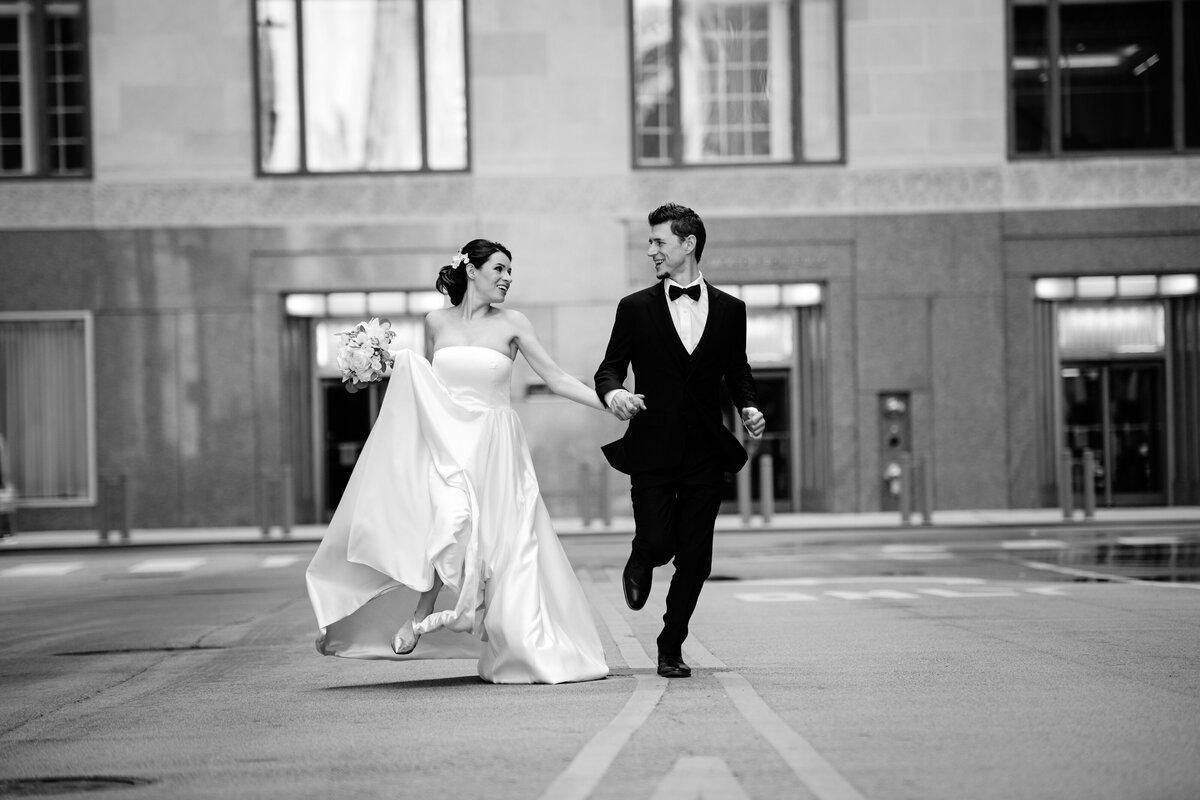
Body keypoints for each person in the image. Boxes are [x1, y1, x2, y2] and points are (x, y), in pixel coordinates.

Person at [306, 239, 610, 685]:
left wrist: (609, 402)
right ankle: (420, 615)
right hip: (449, 442)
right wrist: (374, 369)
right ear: (471, 270)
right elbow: (427, 383)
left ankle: (508, 635)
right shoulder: (435, 322)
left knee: (504, 546)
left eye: (511, 271)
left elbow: (558, 378)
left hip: (495, 447)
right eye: (500, 269)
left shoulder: (514, 323)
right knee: (450, 519)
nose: (507, 278)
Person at [594, 203, 765, 679]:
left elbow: (738, 370)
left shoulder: (732, 310)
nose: (651, 250)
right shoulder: (635, 308)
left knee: (695, 558)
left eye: (659, 242)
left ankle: (671, 644)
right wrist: (616, 394)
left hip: (705, 451)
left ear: (687, 244)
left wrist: (749, 406)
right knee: (658, 541)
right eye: (650, 242)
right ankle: (642, 555)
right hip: (651, 446)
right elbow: (609, 368)